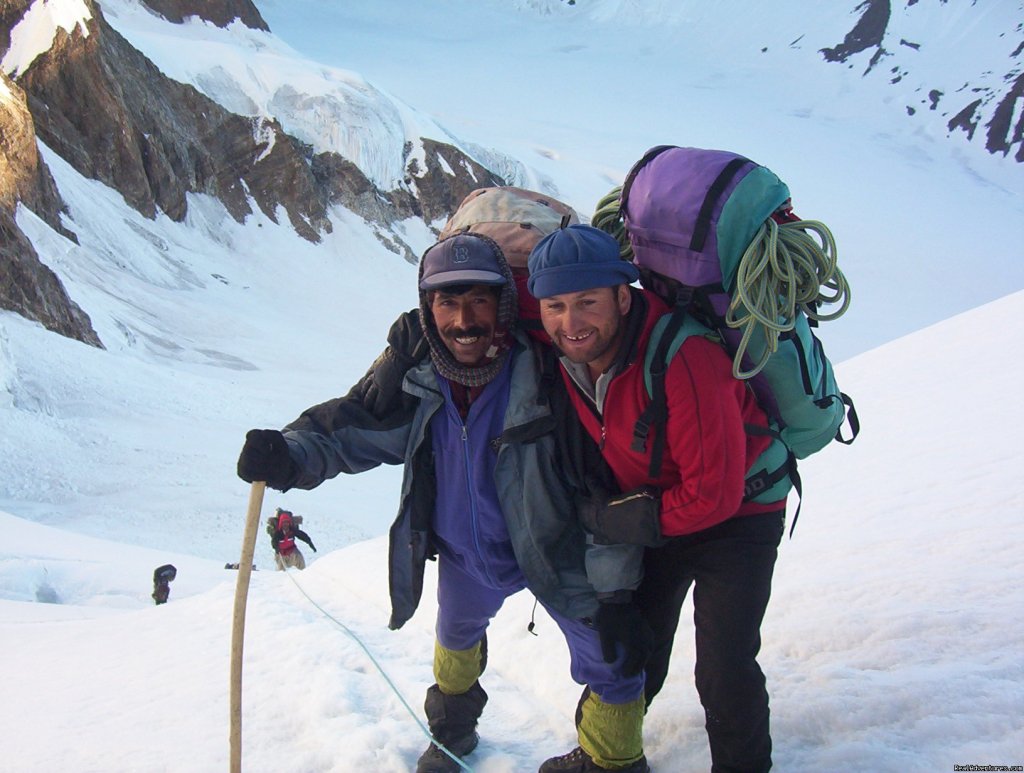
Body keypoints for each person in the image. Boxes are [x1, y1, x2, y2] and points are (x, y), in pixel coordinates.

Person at [236, 232, 652, 773]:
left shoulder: (548, 374)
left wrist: (617, 589)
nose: (464, 320)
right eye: (447, 301)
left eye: (479, 299)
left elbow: (604, 481)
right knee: (453, 650)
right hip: (464, 558)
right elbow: (353, 428)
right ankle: (453, 738)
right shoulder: (418, 379)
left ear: (504, 303)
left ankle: (612, 763)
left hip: (557, 551)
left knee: (614, 664)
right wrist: (289, 455)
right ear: (428, 308)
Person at [527, 224, 789, 773]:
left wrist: (621, 522)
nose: (570, 323)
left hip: (739, 516)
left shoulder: (685, 353)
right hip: (659, 510)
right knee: (627, 645)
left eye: (587, 303)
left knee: (723, 666)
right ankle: (603, 755)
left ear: (623, 297)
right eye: (554, 306)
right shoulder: (570, 361)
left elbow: (712, 497)